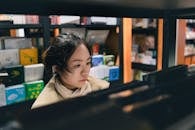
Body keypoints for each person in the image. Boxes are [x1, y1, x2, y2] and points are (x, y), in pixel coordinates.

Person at [31, 33, 110, 109]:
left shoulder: (102, 88)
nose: (85, 72)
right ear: (57, 68)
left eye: (88, 63)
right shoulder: (44, 106)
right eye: (77, 65)